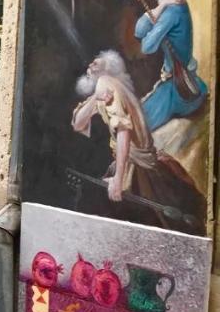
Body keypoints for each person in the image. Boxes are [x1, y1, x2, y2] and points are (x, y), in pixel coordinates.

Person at [70, 50, 205, 234]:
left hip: (137, 168)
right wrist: (95, 98)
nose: (90, 65)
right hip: (128, 163)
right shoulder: (105, 89)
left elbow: (124, 131)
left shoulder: (107, 84)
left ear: (109, 68)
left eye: (96, 63)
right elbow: (78, 124)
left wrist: (118, 180)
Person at [134, 0, 207, 131]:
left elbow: (146, 46)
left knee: (138, 124)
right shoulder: (176, 7)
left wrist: (162, 8)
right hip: (183, 84)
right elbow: (139, 30)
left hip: (178, 91)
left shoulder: (171, 14)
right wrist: (164, 3)